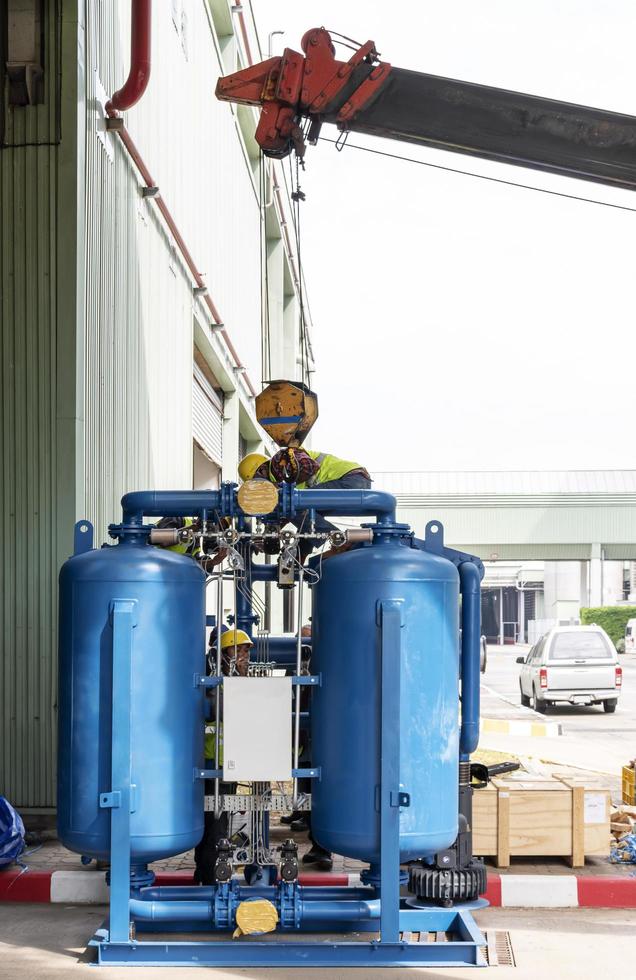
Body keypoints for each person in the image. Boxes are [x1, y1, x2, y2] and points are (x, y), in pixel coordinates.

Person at [194, 629, 252, 885]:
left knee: (222, 823)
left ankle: (210, 875)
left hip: (228, 763)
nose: (243, 655)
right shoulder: (212, 680)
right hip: (211, 763)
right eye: (237, 649)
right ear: (222, 654)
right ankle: (208, 879)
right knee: (213, 826)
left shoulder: (238, 679)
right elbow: (219, 709)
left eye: (246, 650)